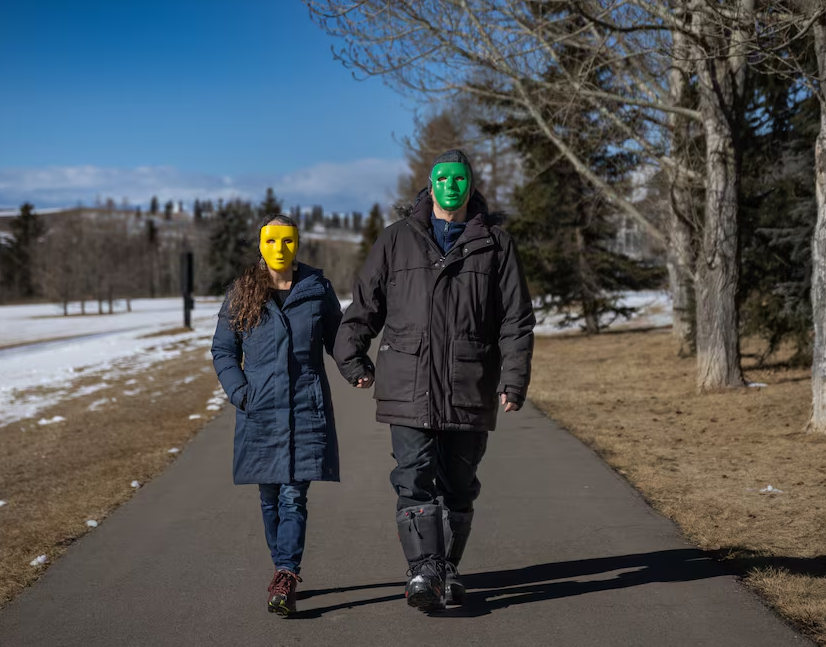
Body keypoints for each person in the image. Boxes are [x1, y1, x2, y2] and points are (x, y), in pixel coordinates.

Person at [334, 149, 535, 612]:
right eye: (442, 177)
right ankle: (423, 571)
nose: (450, 186)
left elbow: (516, 320)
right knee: (413, 478)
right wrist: (352, 358)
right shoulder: (397, 239)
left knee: (460, 485)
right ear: (430, 184)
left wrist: (514, 378)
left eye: (459, 178)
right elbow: (365, 306)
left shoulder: (497, 244)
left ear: (470, 185)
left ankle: (448, 569)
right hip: (408, 380)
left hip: (470, 382)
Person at [211, 214, 342, 617]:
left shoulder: (317, 289)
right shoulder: (242, 293)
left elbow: (340, 341)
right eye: (273, 241)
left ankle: (286, 571)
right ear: (261, 245)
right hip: (260, 410)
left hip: (305, 409)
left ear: (297, 244)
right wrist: (240, 392)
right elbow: (223, 350)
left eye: (288, 241)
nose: (280, 249)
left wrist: (359, 370)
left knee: (292, 496)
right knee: (269, 497)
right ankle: (280, 568)